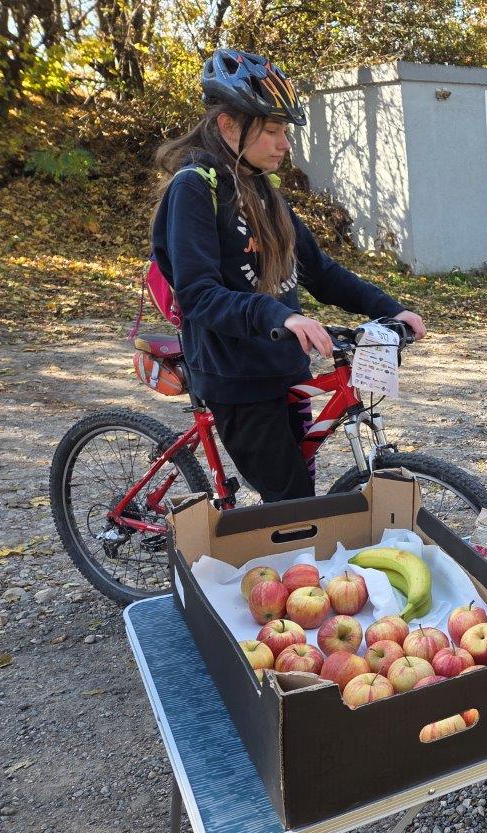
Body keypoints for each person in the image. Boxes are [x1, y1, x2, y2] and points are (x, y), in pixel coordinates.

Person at [151, 49, 425, 503]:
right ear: (229, 126)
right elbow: (199, 294)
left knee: (297, 494)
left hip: (283, 367)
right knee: (293, 507)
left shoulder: (263, 190)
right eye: (273, 130)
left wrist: (389, 308)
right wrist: (280, 315)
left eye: (285, 131)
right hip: (237, 375)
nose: (285, 144)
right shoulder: (194, 189)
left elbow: (320, 272)